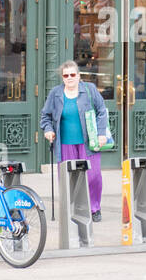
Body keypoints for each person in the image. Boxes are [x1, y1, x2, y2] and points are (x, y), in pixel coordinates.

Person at [40, 60, 111, 221]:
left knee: (93, 176)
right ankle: (71, 207)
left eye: (73, 74)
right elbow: (45, 115)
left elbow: (101, 111)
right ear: (62, 78)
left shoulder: (89, 90)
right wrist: (49, 130)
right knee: (67, 177)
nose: (70, 78)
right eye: (66, 75)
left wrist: (101, 133)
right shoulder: (56, 93)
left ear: (79, 76)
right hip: (65, 143)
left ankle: (94, 208)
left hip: (89, 142)